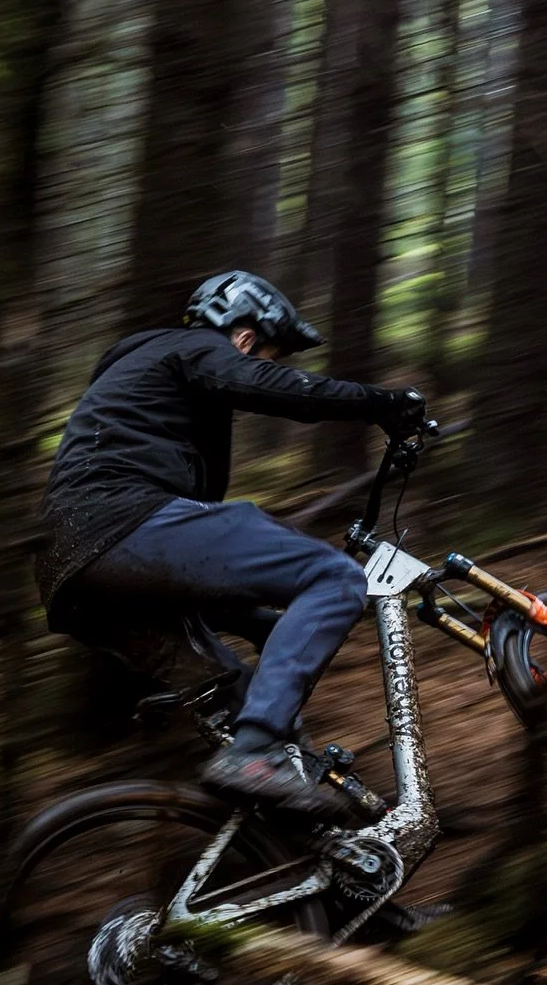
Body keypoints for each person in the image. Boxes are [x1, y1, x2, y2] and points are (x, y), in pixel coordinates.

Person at [34, 270, 426, 821]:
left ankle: (325, 869)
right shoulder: (192, 346)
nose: (267, 363)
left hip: (79, 575)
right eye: (267, 351)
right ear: (244, 335)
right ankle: (256, 753)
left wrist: (256, 620)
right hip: (123, 523)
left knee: (244, 690)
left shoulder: (153, 401)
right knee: (334, 579)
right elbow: (274, 389)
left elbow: (181, 567)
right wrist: (381, 403)